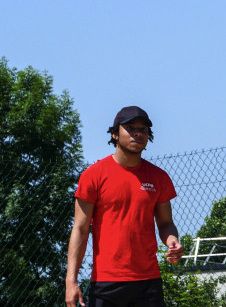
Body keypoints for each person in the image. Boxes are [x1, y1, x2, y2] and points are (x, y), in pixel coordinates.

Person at [65, 106, 183, 307]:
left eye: (143, 129)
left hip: (148, 282)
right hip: (106, 282)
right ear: (115, 134)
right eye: (130, 128)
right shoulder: (93, 175)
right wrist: (71, 281)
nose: (138, 133)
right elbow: (81, 230)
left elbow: (165, 223)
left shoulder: (159, 177)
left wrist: (173, 241)